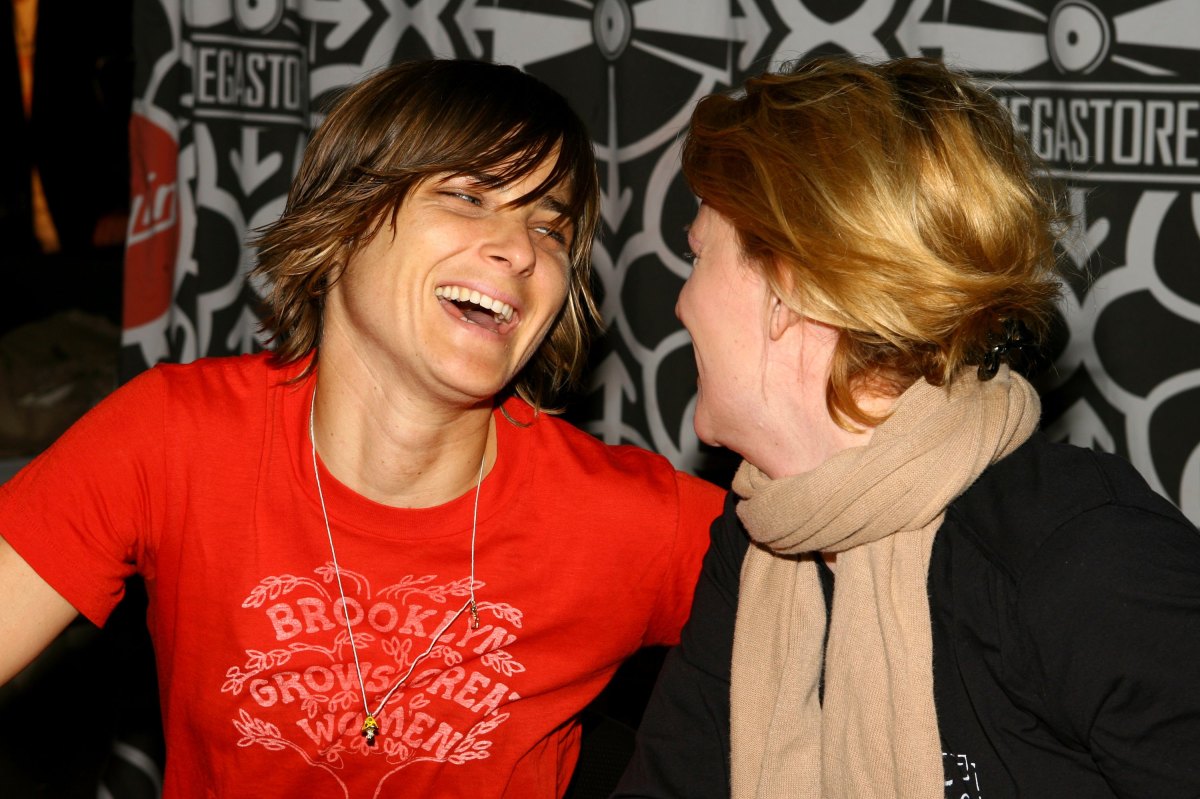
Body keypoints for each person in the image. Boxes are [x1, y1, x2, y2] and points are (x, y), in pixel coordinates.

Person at [0, 58, 724, 798]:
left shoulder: (632, 518)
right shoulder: (175, 438)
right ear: (343, 220)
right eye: (468, 196)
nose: (522, 250)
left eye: (549, 226)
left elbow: (838, 633)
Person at [613, 55, 1200, 799]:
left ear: (789, 285)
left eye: (699, 256)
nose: (681, 305)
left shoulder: (1076, 554)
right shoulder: (761, 538)